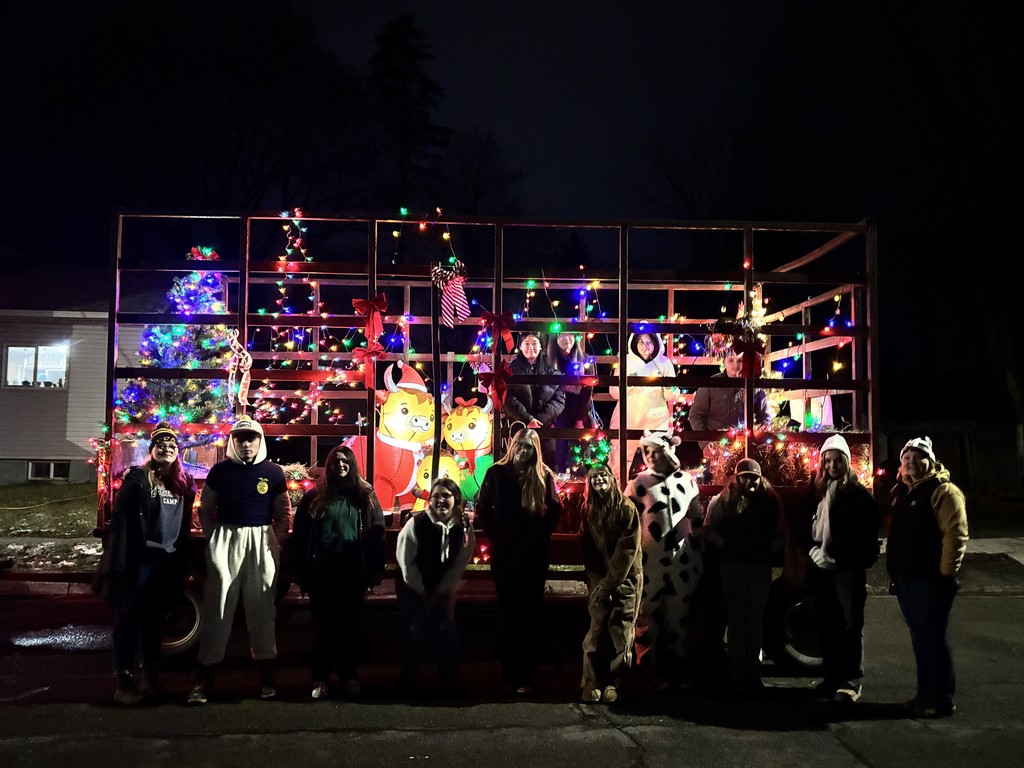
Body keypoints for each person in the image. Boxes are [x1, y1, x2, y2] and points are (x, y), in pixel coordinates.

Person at [188, 417, 290, 705]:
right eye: (241, 439)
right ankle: (203, 681)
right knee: (217, 609)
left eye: (251, 438)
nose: (246, 444)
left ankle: (266, 679)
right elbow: (206, 509)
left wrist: (275, 544)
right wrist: (214, 539)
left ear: (260, 441)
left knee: (262, 610)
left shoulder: (273, 472)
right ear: (233, 441)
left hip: (261, 541)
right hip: (226, 539)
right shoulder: (219, 472)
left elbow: (283, 514)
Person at [94, 422, 196, 705]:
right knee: (127, 619)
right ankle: (123, 682)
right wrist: (120, 563)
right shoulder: (138, 480)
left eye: (172, 446)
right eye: (161, 445)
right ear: (152, 450)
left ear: (178, 452)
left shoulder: (183, 483)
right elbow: (123, 525)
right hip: (140, 562)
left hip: (166, 562)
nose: (167, 449)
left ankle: (150, 678)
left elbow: (184, 525)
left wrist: (181, 560)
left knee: (153, 622)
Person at [290, 444, 385, 700]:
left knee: (349, 627)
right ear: (329, 465)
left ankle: (348, 675)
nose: (340, 465)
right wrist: (299, 569)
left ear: (352, 465)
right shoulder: (315, 497)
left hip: (353, 571)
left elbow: (377, 534)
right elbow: (301, 535)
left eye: (345, 461)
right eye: (336, 462)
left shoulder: (364, 496)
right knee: (322, 627)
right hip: (323, 572)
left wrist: (376, 568)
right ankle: (320, 678)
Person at [887, 436, 968, 718]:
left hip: (930, 581)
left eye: (917, 457)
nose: (911, 462)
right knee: (920, 639)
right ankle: (924, 696)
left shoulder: (943, 491)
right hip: (907, 578)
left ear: (929, 460)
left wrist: (946, 573)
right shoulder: (902, 490)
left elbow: (956, 534)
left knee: (933, 638)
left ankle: (942, 698)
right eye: (906, 457)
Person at [476, 428, 562, 694]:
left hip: (533, 555)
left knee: (530, 614)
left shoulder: (542, 476)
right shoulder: (496, 474)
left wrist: (540, 534)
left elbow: (555, 509)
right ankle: (509, 674)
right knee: (509, 612)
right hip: (505, 553)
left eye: (529, 448)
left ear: (535, 451)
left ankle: (527, 676)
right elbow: (483, 507)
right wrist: (495, 533)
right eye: (520, 446)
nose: (523, 451)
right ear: (513, 446)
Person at [796, 433, 880, 703]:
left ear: (846, 462)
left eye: (837, 461)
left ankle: (851, 679)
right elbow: (800, 523)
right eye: (828, 461)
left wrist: (833, 554)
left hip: (846, 569)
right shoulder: (815, 490)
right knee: (826, 621)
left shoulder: (858, 495)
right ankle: (831, 676)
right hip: (820, 568)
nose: (832, 466)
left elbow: (861, 533)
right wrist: (812, 550)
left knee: (850, 623)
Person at [624, 430, 705, 688]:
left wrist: (698, 543)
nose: (649, 457)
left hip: (682, 561)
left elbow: (697, 517)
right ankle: (647, 666)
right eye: (646, 452)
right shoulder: (639, 483)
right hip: (651, 562)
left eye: (654, 451)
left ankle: (677, 665)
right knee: (647, 614)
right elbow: (628, 520)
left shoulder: (688, 481)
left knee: (679, 615)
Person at [702, 458, 783, 695]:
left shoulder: (770, 502)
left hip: (758, 567)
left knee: (755, 622)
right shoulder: (723, 501)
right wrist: (725, 543)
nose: (749, 481)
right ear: (736, 478)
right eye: (744, 476)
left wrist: (770, 549)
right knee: (736, 622)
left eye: (753, 477)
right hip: (733, 566)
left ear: (760, 478)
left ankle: (754, 675)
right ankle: (737, 675)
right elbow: (707, 529)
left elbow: (780, 532)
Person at [395, 476, 475, 695]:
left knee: (446, 627)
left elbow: (460, 562)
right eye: (436, 496)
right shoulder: (416, 523)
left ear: (456, 500)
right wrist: (422, 592)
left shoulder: (463, 527)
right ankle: (407, 679)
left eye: (446, 496)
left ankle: (449, 678)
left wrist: (442, 591)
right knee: (415, 628)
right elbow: (405, 560)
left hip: (443, 586)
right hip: (412, 584)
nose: (441, 500)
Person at [579, 464, 643, 704]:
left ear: (612, 478)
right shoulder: (588, 510)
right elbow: (586, 548)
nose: (599, 480)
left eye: (603, 475)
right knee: (596, 629)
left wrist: (609, 583)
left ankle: (617, 683)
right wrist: (597, 582)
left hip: (625, 578)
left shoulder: (626, 509)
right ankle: (592, 682)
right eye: (594, 477)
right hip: (600, 579)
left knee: (621, 628)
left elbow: (627, 550)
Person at [609, 332, 676, 477]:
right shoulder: (625, 362)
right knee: (619, 464)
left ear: (656, 343)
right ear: (634, 343)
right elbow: (614, 392)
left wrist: (669, 386)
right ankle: (620, 495)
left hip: (656, 422)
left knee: (658, 465)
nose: (645, 346)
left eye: (649, 342)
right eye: (641, 342)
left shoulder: (664, 363)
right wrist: (630, 384)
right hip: (627, 421)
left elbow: (672, 395)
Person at [503, 332, 565, 469]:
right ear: (520, 346)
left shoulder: (552, 371)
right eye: (527, 343)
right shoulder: (510, 370)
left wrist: (539, 419)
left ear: (541, 346)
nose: (531, 347)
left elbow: (559, 400)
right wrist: (527, 419)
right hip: (519, 426)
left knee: (546, 467)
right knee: (518, 466)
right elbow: (507, 398)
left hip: (545, 428)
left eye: (534, 343)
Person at [688, 349, 769, 445]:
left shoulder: (754, 386)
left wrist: (758, 440)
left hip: (744, 444)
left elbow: (764, 416)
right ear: (724, 362)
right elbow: (695, 415)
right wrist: (705, 443)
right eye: (731, 360)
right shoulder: (710, 384)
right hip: (716, 443)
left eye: (740, 361)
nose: (735, 365)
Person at [546, 333, 600, 473]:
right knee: (559, 448)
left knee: (582, 450)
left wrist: (580, 419)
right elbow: (544, 392)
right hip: (557, 410)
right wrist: (549, 418)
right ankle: (559, 478)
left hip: (578, 408)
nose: (566, 340)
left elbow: (587, 392)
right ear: (555, 340)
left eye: (570, 336)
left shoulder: (585, 360)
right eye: (561, 336)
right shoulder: (549, 362)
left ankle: (582, 480)